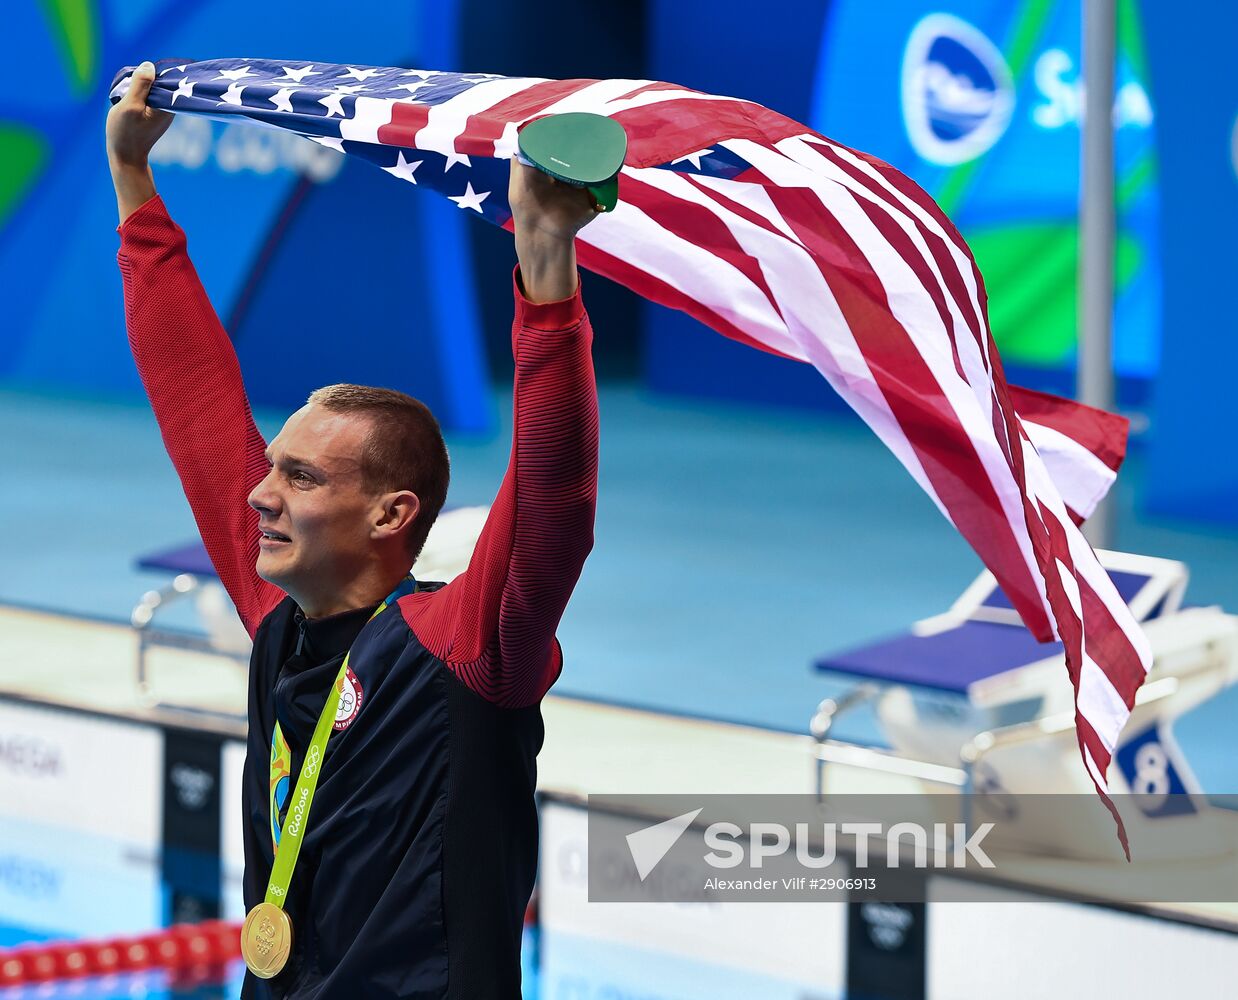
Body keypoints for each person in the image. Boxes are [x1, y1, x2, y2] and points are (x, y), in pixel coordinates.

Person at [107, 61, 600, 998]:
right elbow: (195, 401)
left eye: (299, 476)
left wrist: (545, 269)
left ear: (392, 515)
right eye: (272, 469)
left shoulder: (464, 651)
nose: (259, 495)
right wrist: (136, 185)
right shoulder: (277, 619)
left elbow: (554, 505)